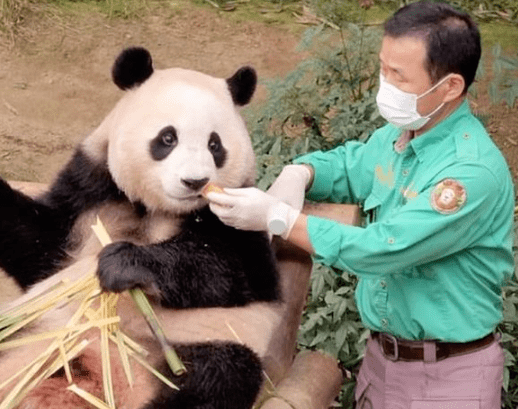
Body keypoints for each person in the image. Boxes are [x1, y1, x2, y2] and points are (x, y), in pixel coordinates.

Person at [206, 1, 515, 407]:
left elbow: (382, 248)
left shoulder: (468, 175)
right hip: (382, 363)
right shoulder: (400, 136)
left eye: (398, 77)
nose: (383, 84)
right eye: (382, 68)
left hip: (446, 379)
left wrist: (277, 218)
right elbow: (351, 166)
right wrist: (302, 173)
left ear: (450, 87)